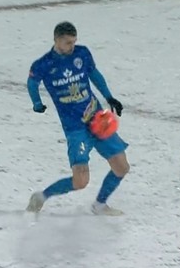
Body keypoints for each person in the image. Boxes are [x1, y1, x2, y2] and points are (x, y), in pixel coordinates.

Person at [25, 21, 129, 216]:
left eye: (74, 42)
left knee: (122, 167)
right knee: (81, 181)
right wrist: (37, 103)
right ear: (56, 40)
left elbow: (94, 74)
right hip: (76, 129)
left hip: (97, 119)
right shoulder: (44, 64)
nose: (72, 46)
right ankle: (42, 197)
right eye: (67, 43)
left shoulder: (82, 54)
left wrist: (109, 96)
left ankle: (99, 205)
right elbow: (32, 83)